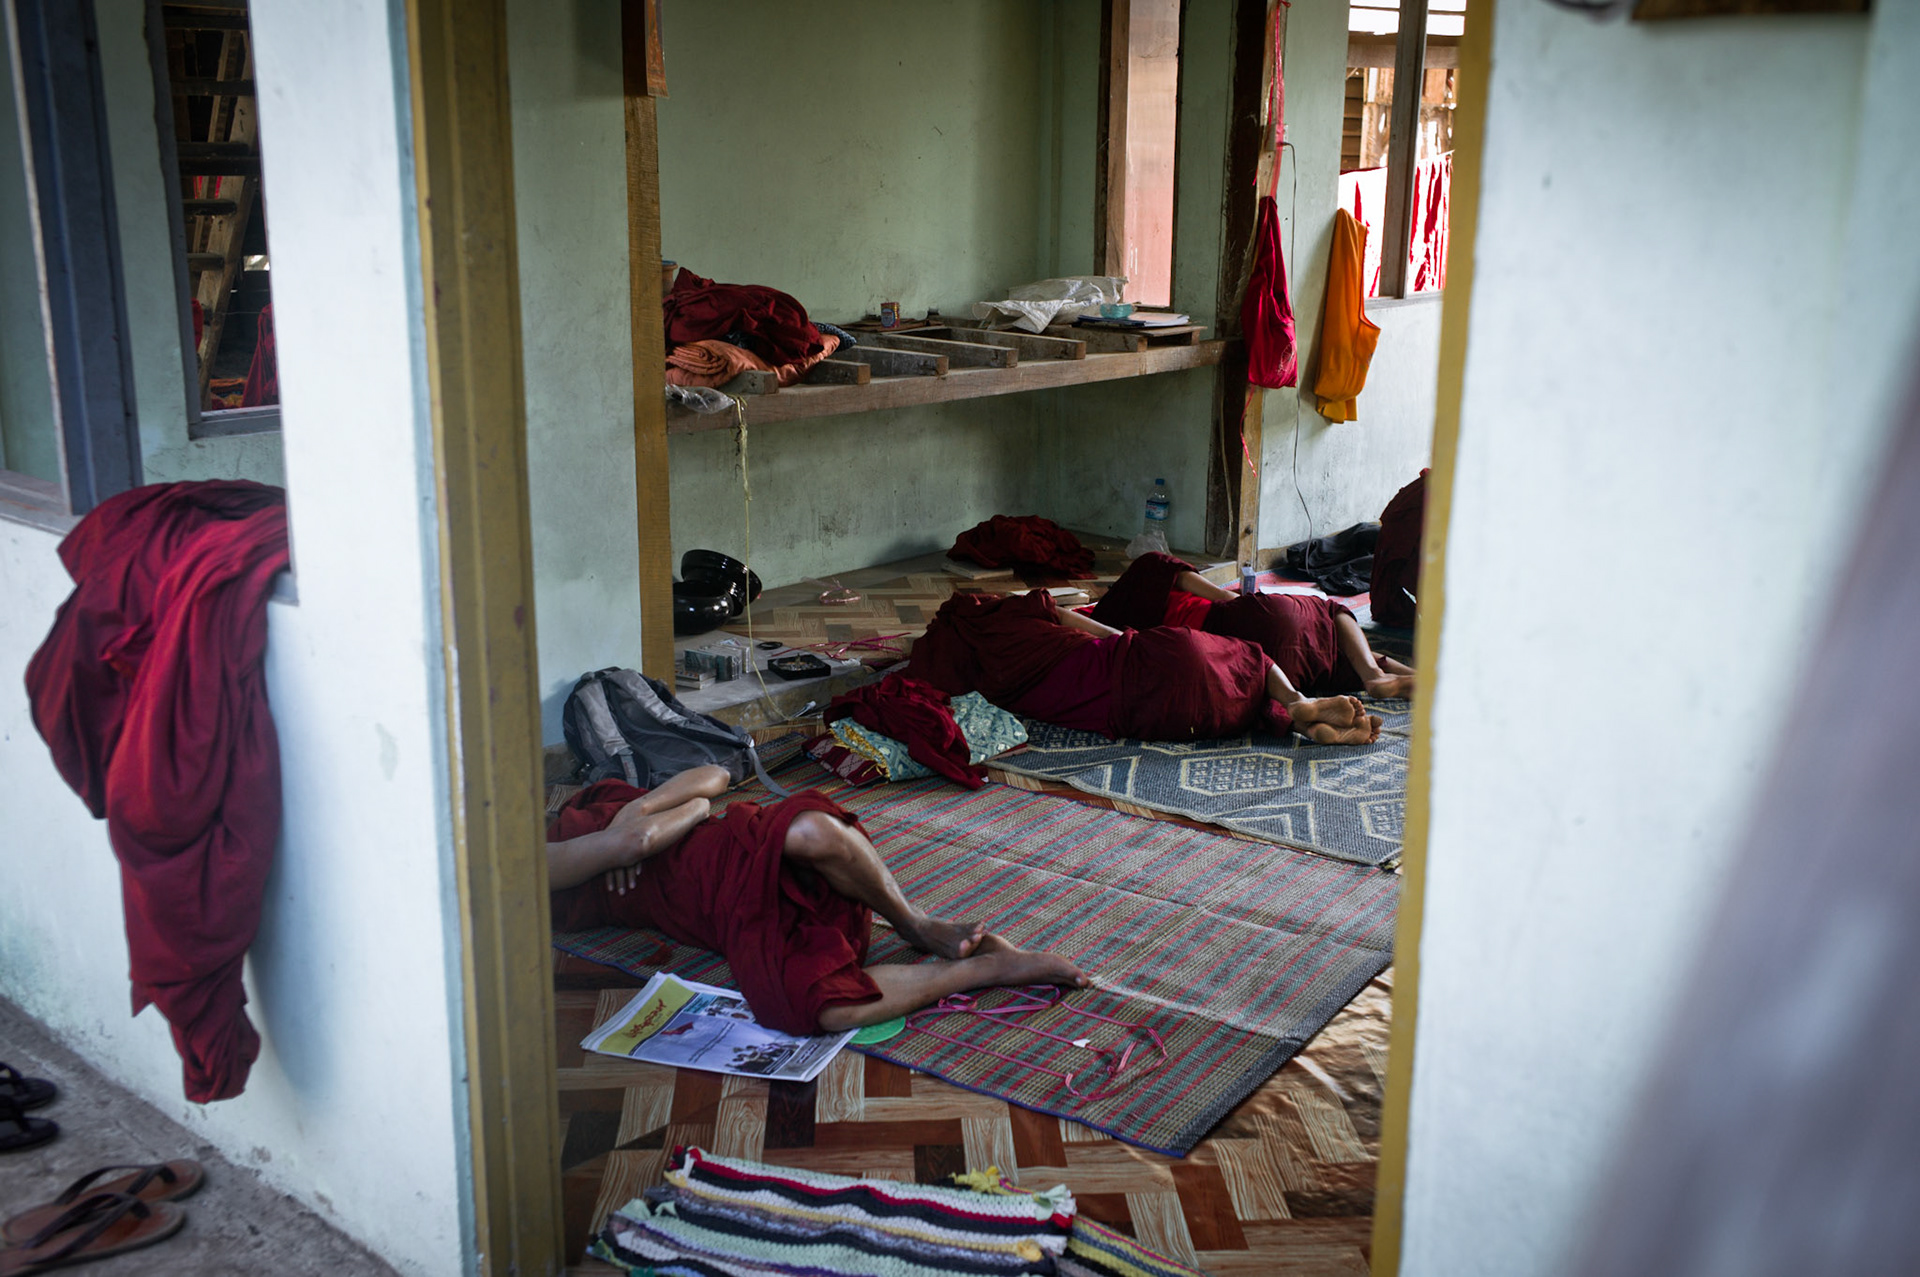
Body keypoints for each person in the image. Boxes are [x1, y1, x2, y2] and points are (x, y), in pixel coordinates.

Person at [547, 766, 1088, 1035]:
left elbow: (715, 775)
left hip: (728, 844)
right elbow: (639, 844)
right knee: (814, 1006)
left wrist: (640, 808)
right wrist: (649, 825)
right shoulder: (531, 863)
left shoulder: (588, 804)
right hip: (711, 898)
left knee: (809, 828)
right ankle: (988, 969)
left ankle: (914, 924)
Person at [909, 587, 1382, 747]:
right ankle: (1299, 704)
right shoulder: (1002, 614)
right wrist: (1134, 643)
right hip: (1151, 659)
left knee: (1239, 704)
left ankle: (1301, 721)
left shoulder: (982, 678)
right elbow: (1081, 622)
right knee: (1250, 660)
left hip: (1146, 715)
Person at [1092, 551, 1415, 701]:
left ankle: (1413, 680)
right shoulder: (1142, 575)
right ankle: (1374, 675)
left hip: (1250, 665)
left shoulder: (1108, 628)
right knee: (1330, 612)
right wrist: (1241, 601)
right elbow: (1216, 593)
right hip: (1245, 618)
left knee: (1330, 654)